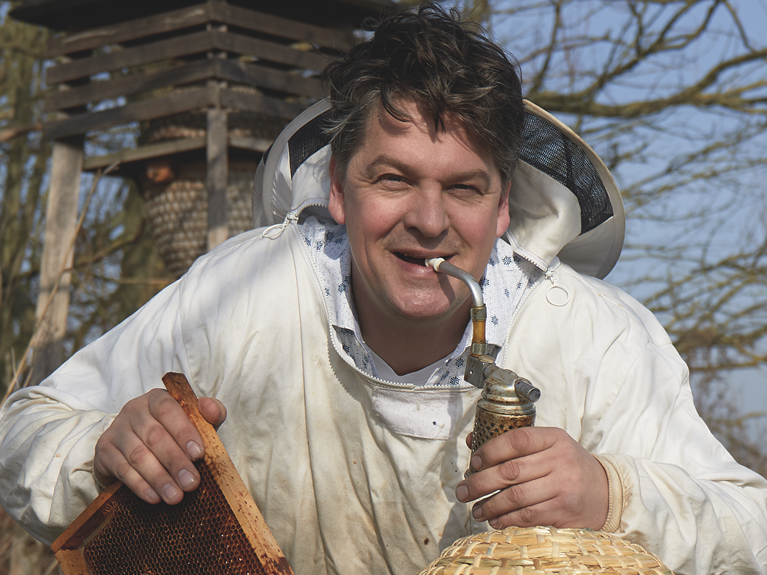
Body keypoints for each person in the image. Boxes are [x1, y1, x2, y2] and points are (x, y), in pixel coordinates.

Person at [1, 3, 766, 574]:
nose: (428, 221)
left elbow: (750, 527)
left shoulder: (597, 336)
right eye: (394, 178)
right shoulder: (248, 289)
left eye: (464, 188)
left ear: (503, 205)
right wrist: (99, 451)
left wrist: (614, 495)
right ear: (339, 188)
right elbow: (22, 428)